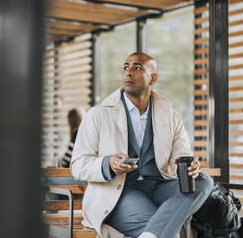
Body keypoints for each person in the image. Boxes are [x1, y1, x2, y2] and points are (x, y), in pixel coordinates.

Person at [71, 52, 213, 238]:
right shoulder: (98, 115)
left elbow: (181, 154)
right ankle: (154, 232)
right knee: (163, 227)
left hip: (160, 186)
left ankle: (153, 233)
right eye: (126, 67)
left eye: (137, 68)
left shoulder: (170, 115)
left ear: (153, 78)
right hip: (120, 192)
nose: (129, 72)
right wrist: (107, 163)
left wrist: (188, 167)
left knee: (203, 181)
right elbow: (77, 164)